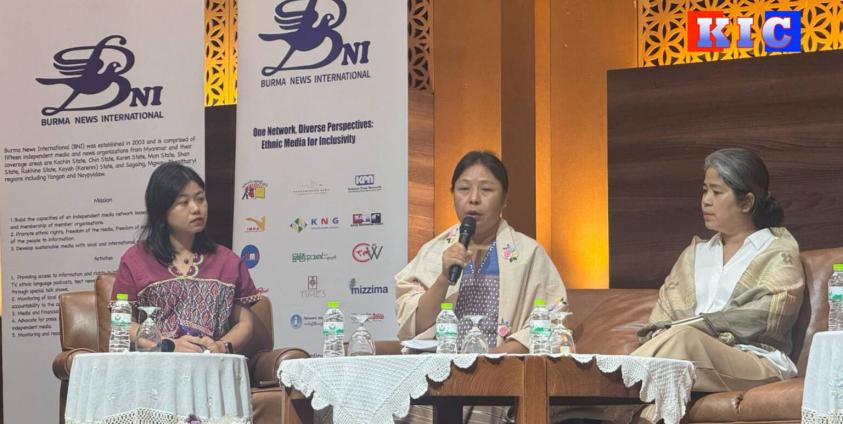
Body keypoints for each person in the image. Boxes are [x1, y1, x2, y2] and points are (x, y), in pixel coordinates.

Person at [629, 148, 805, 422]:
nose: (705, 200)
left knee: (683, 339)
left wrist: (701, 330)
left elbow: (768, 314)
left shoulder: (777, 249)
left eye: (716, 192)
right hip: (686, 357)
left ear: (746, 202)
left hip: (755, 360)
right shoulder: (694, 254)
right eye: (704, 190)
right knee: (674, 353)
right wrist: (685, 332)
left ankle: (605, 389)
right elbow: (661, 318)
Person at [394, 151, 566, 423]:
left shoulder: (528, 254)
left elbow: (554, 321)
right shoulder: (432, 252)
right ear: (453, 195)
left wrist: (495, 357)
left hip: (501, 375)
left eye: (486, 190)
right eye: (464, 189)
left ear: (505, 198)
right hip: (438, 374)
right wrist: (443, 278)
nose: (473, 199)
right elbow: (414, 325)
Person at [111, 161, 261, 353]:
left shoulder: (228, 261)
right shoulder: (135, 260)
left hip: (211, 363)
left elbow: (245, 323)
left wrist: (220, 346)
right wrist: (166, 345)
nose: (196, 208)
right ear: (161, 210)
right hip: (157, 362)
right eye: (183, 202)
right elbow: (121, 322)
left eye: (200, 199)